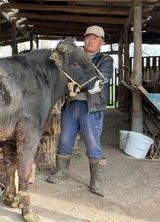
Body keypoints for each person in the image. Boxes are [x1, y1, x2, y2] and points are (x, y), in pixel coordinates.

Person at [47, 25, 113, 197]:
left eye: (95, 38)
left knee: (92, 143)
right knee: (64, 140)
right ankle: (61, 172)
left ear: (102, 42)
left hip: (91, 107)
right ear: (84, 39)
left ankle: (96, 181)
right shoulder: (72, 56)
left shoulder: (105, 60)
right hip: (72, 104)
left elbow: (101, 77)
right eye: (88, 37)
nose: (90, 41)